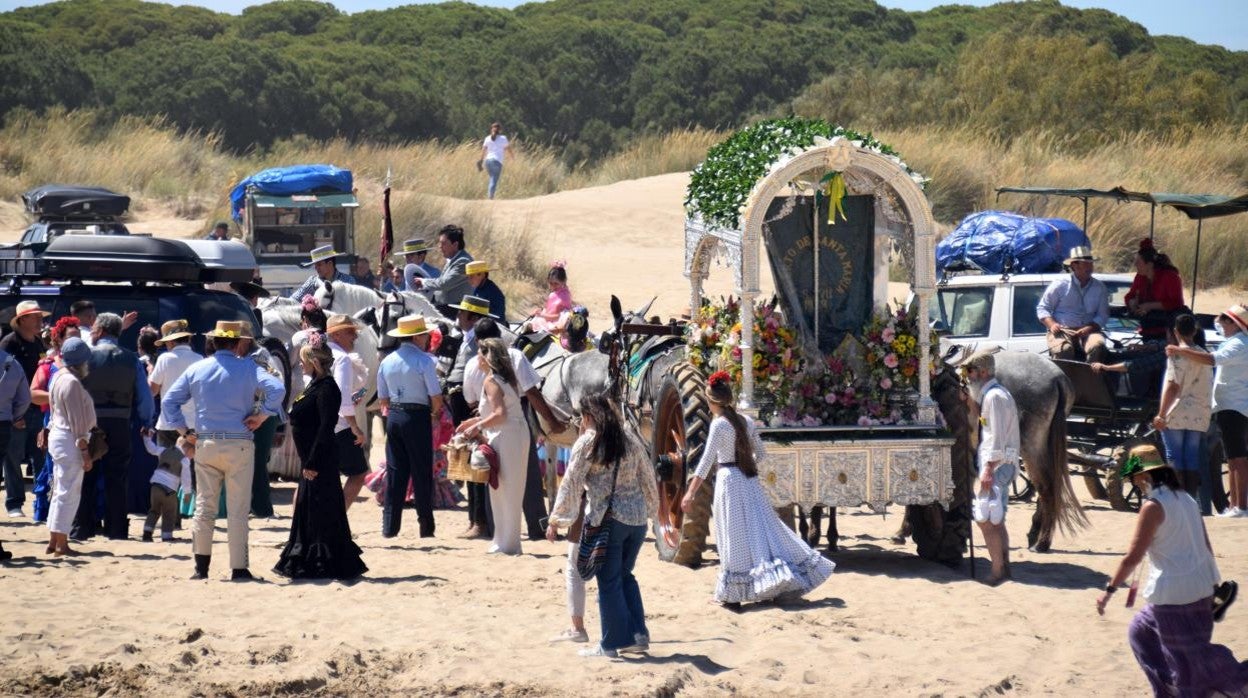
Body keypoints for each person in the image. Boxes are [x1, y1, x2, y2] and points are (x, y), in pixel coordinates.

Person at [1095, 446, 1248, 696]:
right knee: (1142, 631)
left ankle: (1235, 682)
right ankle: (1173, 689)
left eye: (1134, 479)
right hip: (1200, 587)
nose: (1135, 484)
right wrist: (1212, 584)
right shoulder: (1186, 498)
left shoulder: (1153, 507)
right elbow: (1205, 543)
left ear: (1144, 477)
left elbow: (1133, 556)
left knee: (1190, 661)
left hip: (1173, 594)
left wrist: (1109, 591)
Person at [681, 371, 834, 610]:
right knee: (761, 530)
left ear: (712, 402)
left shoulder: (719, 425)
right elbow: (761, 454)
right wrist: (745, 460)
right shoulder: (747, 422)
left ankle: (733, 595)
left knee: (732, 536)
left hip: (728, 481)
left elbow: (705, 462)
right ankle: (773, 583)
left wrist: (690, 492)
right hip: (749, 481)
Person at [161, 320, 285, 581]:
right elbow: (277, 388)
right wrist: (262, 416)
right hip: (239, 441)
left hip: (206, 441)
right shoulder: (249, 368)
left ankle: (201, 568)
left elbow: (169, 401)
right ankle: (238, 568)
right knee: (238, 509)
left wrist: (184, 432)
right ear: (238, 342)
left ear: (214, 341)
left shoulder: (198, 369)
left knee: (204, 507)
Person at [547, 393, 659, 658]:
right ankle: (637, 635)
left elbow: (571, 483)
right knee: (625, 576)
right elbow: (648, 477)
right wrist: (654, 511)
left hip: (609, 519)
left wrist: (556, 520)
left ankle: (609, 645)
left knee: (608, 581)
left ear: (587, 417)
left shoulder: (588, 442)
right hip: (637, 520)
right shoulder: (630, 437)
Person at [274, 335, 367, 580]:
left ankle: (326, 563)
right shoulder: (313, 385)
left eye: (304, 360)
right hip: (310, 460)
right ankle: (310, 561)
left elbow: (326, 427)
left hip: (319, 462)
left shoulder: (327, 388)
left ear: (314, 362)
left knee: (321, 510)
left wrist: (313, 461)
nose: (300, 364)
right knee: (310, 510)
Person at [468, 317, 567, 540]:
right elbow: (532, 393)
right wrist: (552, 421)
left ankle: (494, 530)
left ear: (477, 340)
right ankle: (538, 526)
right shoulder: (514, 356)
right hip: (515, 415)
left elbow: (470, 398)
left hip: (486, 416)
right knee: (529, 474)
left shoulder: (473, 363)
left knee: (492, 473)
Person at [75, 312, 154, 541]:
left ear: (99, 330)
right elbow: (144, 397)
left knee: (87, 475)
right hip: (120, 422)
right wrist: (147, 421)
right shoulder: (131, 359)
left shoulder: (87, 356)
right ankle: (116, 529)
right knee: (117, 477)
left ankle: (83, 527)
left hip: (90, 422)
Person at [1167, 304, 1248, 517]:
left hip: (1233, 404)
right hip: (1228, 404)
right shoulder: (1234, 342)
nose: (1219, 322)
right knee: (1231, 457)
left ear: (1234, 323)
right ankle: (1234, 506)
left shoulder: (1238, 344)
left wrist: (1179, 350)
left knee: (1237, 457)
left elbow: (1212, 360)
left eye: (1223, 319)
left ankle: (1241, 506)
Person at [455, 338, 531, 555]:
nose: (477, 358)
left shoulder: (491, 380)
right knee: (510, 488)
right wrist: (474, 422)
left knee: (503, 488)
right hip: (514, 432)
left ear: (487, 357)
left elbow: (500, 414)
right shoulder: (506, 378)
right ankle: (507, 541)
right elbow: (499, 411)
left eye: (479, 353)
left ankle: (506, 543)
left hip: (506, 434)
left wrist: (475, 427)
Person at [957, 346, 1021, 584]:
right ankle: (1004, 567)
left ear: (983, 372)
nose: (968, 377)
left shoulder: (995, 398)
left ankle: (997, 571)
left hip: (997, 465)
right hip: (999, 464)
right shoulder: (992, 395)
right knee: (997, 517)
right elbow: (984, 424)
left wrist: (987, 469)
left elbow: (997, 439)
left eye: (971, 371)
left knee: (986, 520)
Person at [376, 315, 443, 538]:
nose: (426, 338)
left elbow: (383, 399)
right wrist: (434, 414)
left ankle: (390, 526)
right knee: (421, 471)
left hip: (394, 415)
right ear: (417, 337)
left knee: (395, 472)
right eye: (424, 334)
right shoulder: (425, 361)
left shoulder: (387, 361)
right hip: (417, 416)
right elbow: (436, 396)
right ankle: (425, 525)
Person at [443, 295, 496, 538]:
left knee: (476, 463)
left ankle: (480, 522)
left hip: (471, 409)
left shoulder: (479, 345)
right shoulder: (466, 340)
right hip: (463, 406)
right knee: (468, 462)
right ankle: (475, 519)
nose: (458, 317)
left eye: (462, 313)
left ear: (472, 318)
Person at [1152, 315, 1213, 500]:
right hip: (1198, 411)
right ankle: (1190, 499)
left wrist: (1161, 414)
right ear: (1194, 331)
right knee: (1191, 456)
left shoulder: (1177, 355)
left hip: (1177, 411)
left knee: (1174, 455)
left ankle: (1176, 499)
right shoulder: (1203, 353)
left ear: (1175, 332)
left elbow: (1172, 386)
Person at [44, 338, 93, 557]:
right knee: (69, 492)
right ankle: (62, 543)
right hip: (70, 439)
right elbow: (77, 422)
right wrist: (85, 451)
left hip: (58, 436)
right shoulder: (72, 382)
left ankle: (54, 538)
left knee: (59, 490)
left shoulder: (57, 376)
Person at [30, 317, 82, 523]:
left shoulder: (87, 364)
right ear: (58, 340)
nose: (75, 342)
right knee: (56, 470)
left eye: (78, 337)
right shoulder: (48, 365)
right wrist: (58, 397)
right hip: (56, 422)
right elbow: (33, 394)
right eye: (70, 337)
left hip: (82, 423)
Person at [2, 300, 48, 517]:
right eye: (35, 316)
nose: (41, 320)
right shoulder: (9, 344)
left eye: (40, 316)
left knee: (40, 453)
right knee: (13, 456)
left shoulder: (39, 342)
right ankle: (14, 503)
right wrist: (12, 412)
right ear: (22, 320)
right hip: (16, 410)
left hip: (37, 407)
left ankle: (42, 499)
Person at [326, 314, 370, 511]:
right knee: (358, 473)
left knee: (311, 477)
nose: (355, 336)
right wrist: (354, 426)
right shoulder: (342, 359)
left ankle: (301, 528)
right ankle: (336, 520)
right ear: (337, 335)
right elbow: (342, 396)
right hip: (339, 425)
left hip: (316, 424)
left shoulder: (317, 354)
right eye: (350, 332)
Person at [1037, 246, 1110, 363]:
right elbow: (1043, 308)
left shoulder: (1099, 287)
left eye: (1091, 264)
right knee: (1064, 350)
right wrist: (1052, 325)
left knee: (1098, 346)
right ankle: (1065, 380)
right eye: (1085, 264)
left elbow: (1103, 315)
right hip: (1063, 331)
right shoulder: (1060, 285)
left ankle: (1091, 378)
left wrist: (1089, 328)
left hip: (1089, 331)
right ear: (1074, 266)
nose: (1090, 267)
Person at [148, 320, 202, 448]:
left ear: (171, 341)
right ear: (188, 339)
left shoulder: (165, 359)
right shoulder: (200, 359)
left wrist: (150, 371)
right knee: (192, 466)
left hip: (168, 424)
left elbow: (152, 391)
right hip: (193, 424)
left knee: (167, 466)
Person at [1125, 239, 1186, 341]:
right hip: (1147, 329)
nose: (1135, 265)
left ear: (1149, 264)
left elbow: (1177, 303)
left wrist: (1149, 306)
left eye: (1138, 262)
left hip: (1168, 331)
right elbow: (1129, 296)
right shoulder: (1140, 277)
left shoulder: (1170, 276)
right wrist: (1133, 304)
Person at [139, 431, 192, 542]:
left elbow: (151, 449)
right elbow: (186, 478)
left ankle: (147, 533)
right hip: (170, 491)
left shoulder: (164, 450)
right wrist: (187, 493)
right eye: (193, 453)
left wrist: (146, 438)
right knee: (169, 513)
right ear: (188, 450)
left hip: (156, 486)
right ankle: (167, 536)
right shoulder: (184, 460)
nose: (192, 457)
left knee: (154, 510)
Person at [410, 225, 473, 313]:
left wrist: (423, 282)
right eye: (440, 243)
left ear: (455, 245)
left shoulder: (462, 262)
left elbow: (444, 283)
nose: (440, 246)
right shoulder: (454, 260)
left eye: (443, 243)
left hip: (454, 311)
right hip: (446, 308)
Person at [288, 246, 356, 301]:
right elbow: (293, 300)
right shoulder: (313, 282)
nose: (316, 268)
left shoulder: (348, 281)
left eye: (319, 265)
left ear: (330, 264)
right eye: (315, 265)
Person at [526, 263, 574, 337]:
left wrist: (542, 315)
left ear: (563, 281)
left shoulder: (565, 297)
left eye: (556, 283)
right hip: (547, 319)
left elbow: (559, 316)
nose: (553, 286)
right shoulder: (554, 294)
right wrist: (540, 312)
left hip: (556, 324)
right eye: (550, 283)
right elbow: (549, 309)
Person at [479, 122, 511, 200]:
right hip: (497, 161)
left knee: (492, 178)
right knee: (494, 179)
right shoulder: (503, 138)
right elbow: (508, 149)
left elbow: (483, 150)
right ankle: (490, 197)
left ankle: (490, 195)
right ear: (500, 130)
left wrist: (480, 161)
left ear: (491, 129)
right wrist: (512, 157)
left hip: (488, 161)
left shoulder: (487, 138)